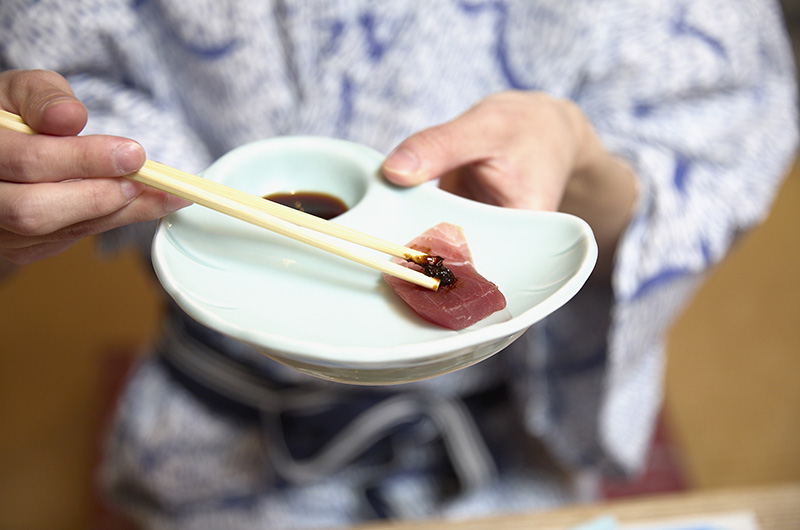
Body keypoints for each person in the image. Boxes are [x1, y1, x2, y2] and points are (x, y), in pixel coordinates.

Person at [0, 1, 797, 528]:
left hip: (506, 450)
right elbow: (66, 85)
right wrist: (44, 177)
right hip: (215, 439)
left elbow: (724, 138)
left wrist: (581, 164)